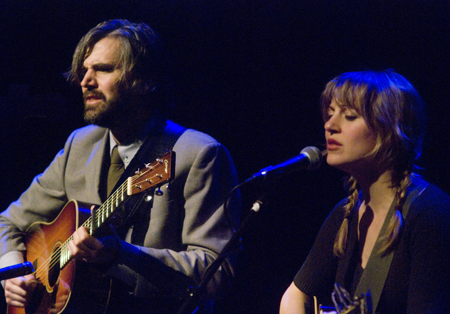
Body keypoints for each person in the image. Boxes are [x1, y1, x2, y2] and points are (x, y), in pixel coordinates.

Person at [0, 19, 240, 314]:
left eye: (102, 69)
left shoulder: (198, 154)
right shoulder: (81, 144)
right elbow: (7, 222)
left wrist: (121, 256)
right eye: (84, 70)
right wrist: (15, 272)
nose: (85, 81)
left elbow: (217, 273)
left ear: (144, 80)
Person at [280, 70, 450, 314]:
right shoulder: (345, 213)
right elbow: (295, 295)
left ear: (390, 130)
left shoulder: (430, 215)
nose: (329, 125)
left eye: (349, 116)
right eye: (329, 114)